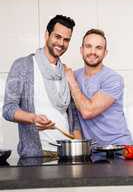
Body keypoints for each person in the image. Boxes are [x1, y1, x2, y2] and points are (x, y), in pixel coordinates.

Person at [2, 15, 81, 158]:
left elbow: (73, 117)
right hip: (37, 155)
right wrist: (33, 118)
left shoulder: (65, 72)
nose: (61, 43)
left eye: (66, 39)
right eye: (57, 37)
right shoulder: (23, 65)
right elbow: (8, 109)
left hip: (67, 154)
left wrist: (79, 149)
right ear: (47, 35)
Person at [65, 28, 133, 147]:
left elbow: (87, 111)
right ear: (81, 50)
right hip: (92, 151)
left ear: (105, 53)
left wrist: (71, 81)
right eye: (88, 46)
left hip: (119, 149)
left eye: (98, 48)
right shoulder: (74, 76)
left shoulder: (113, 79)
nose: (93, 51)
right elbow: (73, 116)